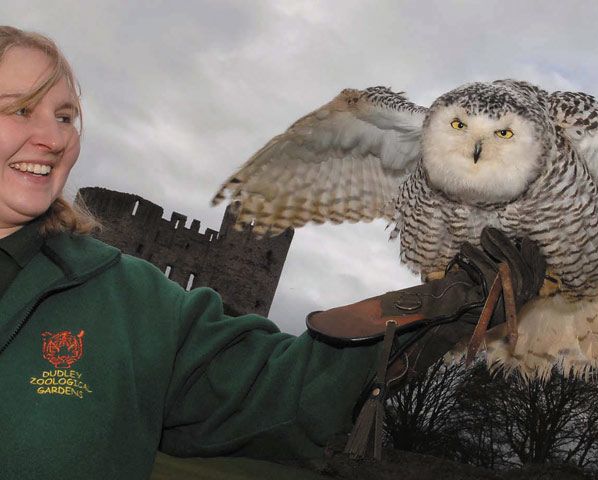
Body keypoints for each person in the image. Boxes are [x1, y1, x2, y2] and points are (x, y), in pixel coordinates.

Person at [0, 26, 546, 480]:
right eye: (21, 110)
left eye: (66, 115)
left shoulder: (130, 302)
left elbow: (278, 388)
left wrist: (419, 315)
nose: (52, 137)